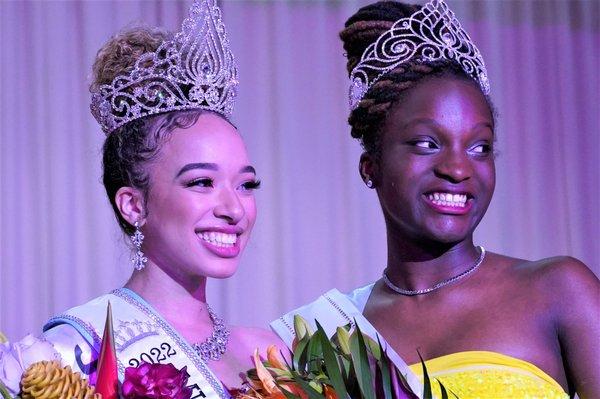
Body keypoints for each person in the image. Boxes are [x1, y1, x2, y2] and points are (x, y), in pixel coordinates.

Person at [272, 1, 600, 398]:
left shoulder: (558, 289)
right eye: (428, 144)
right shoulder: (331, 333)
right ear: (370, 166)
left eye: (480, 148)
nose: (458, 169)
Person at [1, 0, 277, 396]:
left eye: (246, 184)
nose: (234, 209)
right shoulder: (72, 353)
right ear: (133, 205)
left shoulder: (268, 354)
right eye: (201, 182)